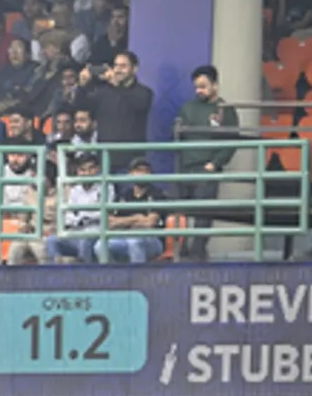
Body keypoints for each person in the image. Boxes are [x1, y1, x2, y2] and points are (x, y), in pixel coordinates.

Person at [173, 65, 239, 260]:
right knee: (179, 215)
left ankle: (197, 253)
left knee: (203, 216)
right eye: (196, 87)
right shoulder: (188, 107)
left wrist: (215, 163)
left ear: (215, 86)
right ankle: (179, 252)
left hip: (207, 168)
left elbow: (232, 141)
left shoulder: (225, 110)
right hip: (185, 168)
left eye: (203, 86)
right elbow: (177, 134)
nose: (199, 91)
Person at [77, 50, 153, 171]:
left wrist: (117, 85)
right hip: (105, 158)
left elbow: (140, 105)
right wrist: (82, 86)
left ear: (134, 69)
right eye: (116, 65)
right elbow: (81, 106)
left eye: (123, 66)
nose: (118, 70)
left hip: (132, 160)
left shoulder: (144, 92)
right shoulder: (103, 92)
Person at [97, 158, 165, 263]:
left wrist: (122, 222)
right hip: (124, 237)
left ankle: (138, 278)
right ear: (130, 173)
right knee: (100, 246)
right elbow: (109, 222)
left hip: (152, 240)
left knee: (134, 241)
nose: (142, 174)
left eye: (145, 171)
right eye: (138, 170)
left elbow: (149, 222)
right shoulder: (124, 195)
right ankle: (114, 276)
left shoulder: (156, 194)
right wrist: (136, 218)